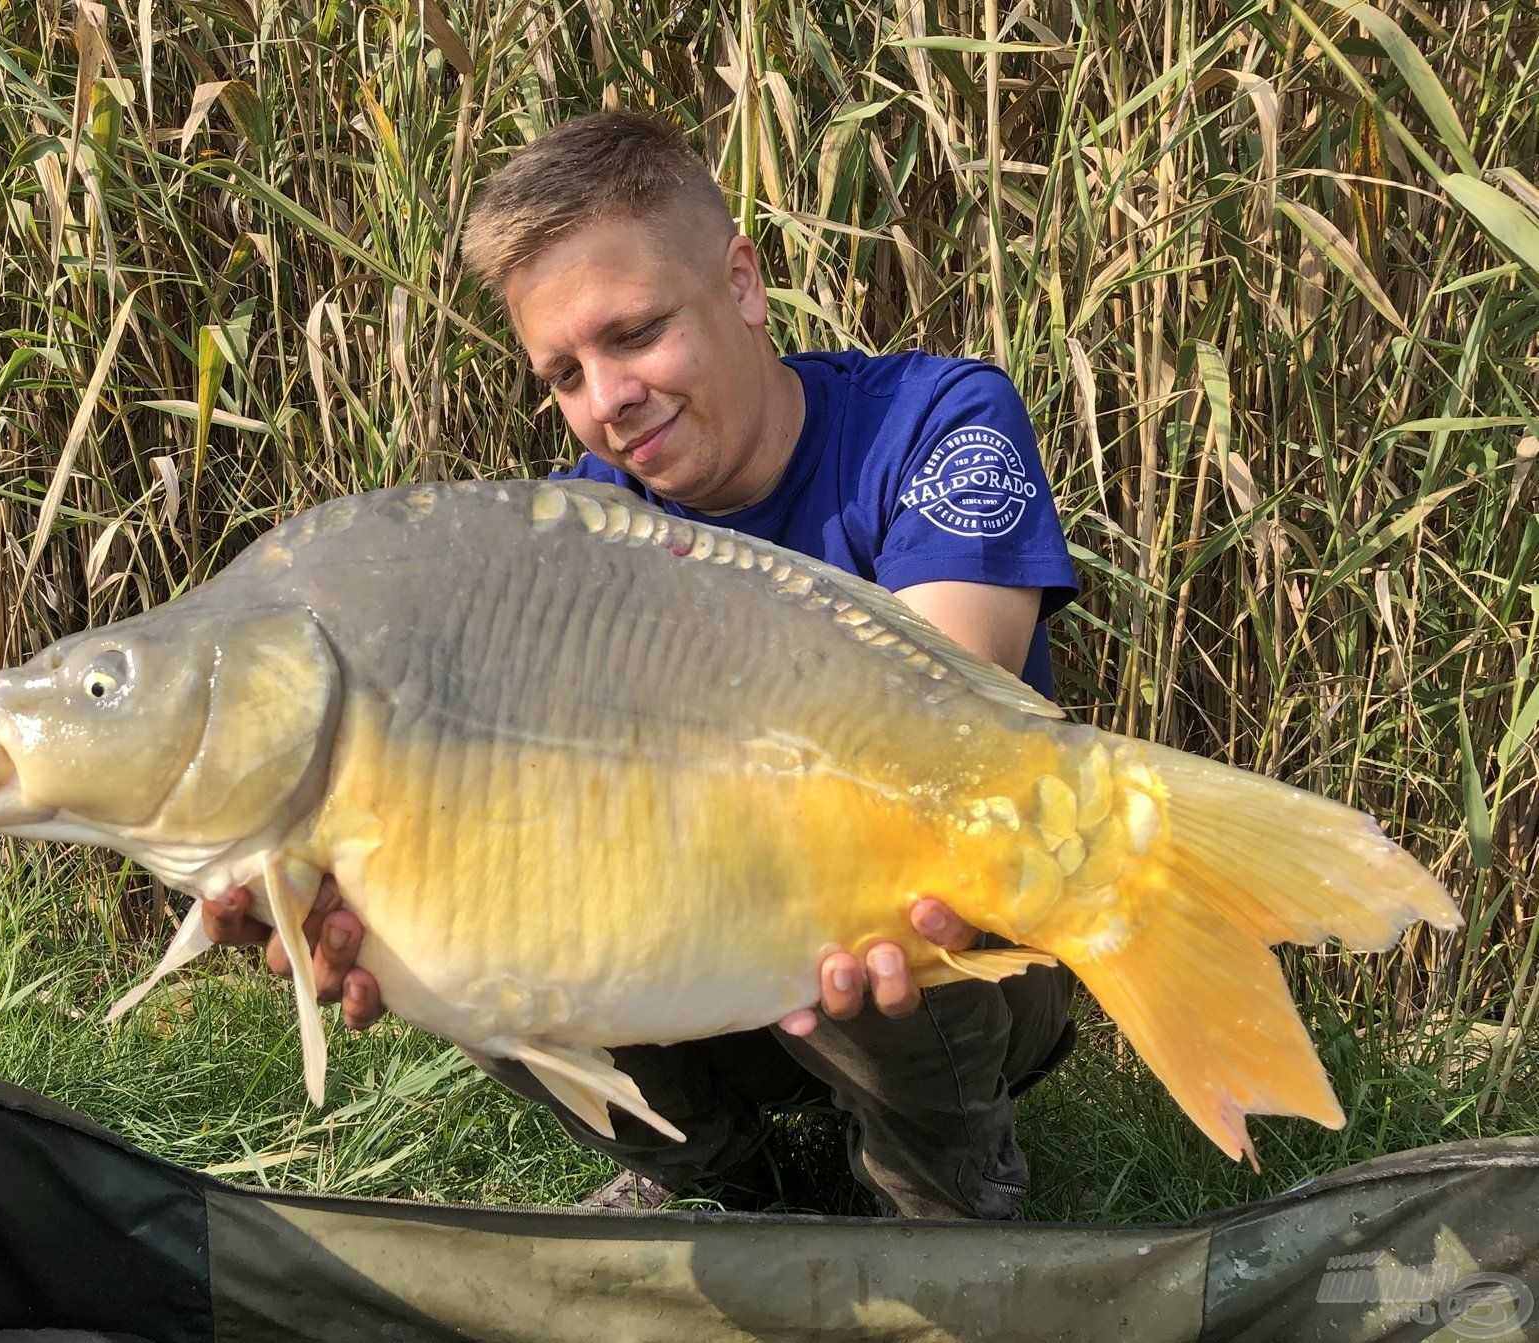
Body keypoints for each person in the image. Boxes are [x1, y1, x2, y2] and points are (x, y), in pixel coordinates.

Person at [202, 110, 1081, 1220]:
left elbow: (946, 721)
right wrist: (334, 881)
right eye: (563, 372)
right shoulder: (579, 535)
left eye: (635, 333)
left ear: (744, 283)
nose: (606, 399)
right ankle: (709, 1173)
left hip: (961, 932)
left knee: (872, 847)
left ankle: (946, 1179)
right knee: (461, 909)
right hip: (699, 951)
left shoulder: (936, 420)